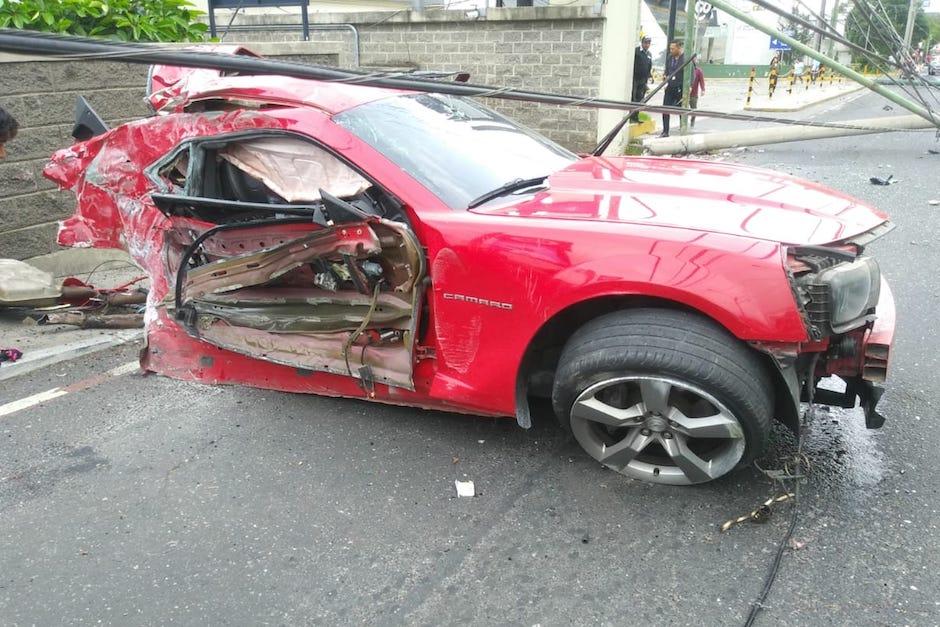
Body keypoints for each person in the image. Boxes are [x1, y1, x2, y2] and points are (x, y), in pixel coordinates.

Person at [660, 40, 684, 138]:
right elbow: (667, 69)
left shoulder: (685, 58)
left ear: (679, 48)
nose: (671, 50)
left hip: (680, 87)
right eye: (670, 48)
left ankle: (683, 130)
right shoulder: (670, 58)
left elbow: (691, 73)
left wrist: (689, 86)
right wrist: (665, 75)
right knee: (665, 109)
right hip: (670, 86)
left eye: (673, 49)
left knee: (681, 110)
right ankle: (665, 131)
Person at [630, 35, 653, 122]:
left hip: (643, 80)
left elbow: (649, 66)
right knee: (634, 97)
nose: (647, 45)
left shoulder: (649, 54)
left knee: (640, 98)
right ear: (642, 43)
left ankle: (636, 116)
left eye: (648, 43)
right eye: (645, 43)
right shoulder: (636, 51)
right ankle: (631, 117)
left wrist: (649, 77)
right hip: (635, 78)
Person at [690, 59, 705, 128]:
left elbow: (701, 81)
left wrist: (703, 90)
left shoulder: (698, 71)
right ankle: (682, 124)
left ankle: (692, 122)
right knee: (683, 109)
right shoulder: (686, 71)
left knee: (693, 109)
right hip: (685, 93)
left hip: (693, 94)